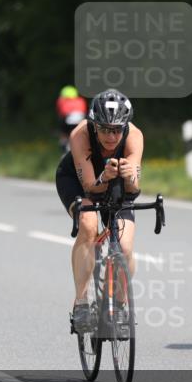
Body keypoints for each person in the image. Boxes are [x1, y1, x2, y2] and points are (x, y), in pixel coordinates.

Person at [55, 89, 143, 333]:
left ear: (125, 126)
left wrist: (129, 176)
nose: (111, 136)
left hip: (116, 183)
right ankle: (81, 302)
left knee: (125, 247)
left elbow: (134, 187)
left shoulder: (134, 136)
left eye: (116, 130)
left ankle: (120, 305)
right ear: (94, 125)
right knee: (88, 224)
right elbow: (90, 186)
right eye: (104, 129)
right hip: (78, 180)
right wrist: (105, 176)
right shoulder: (80, 135)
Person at [55, 85, 88, 152]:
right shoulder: (81, 100)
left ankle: (64, 144)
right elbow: (85, 112)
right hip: (80, 120)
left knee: (64, 133)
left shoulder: (61, 100)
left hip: (66, 119)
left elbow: (60, 112)